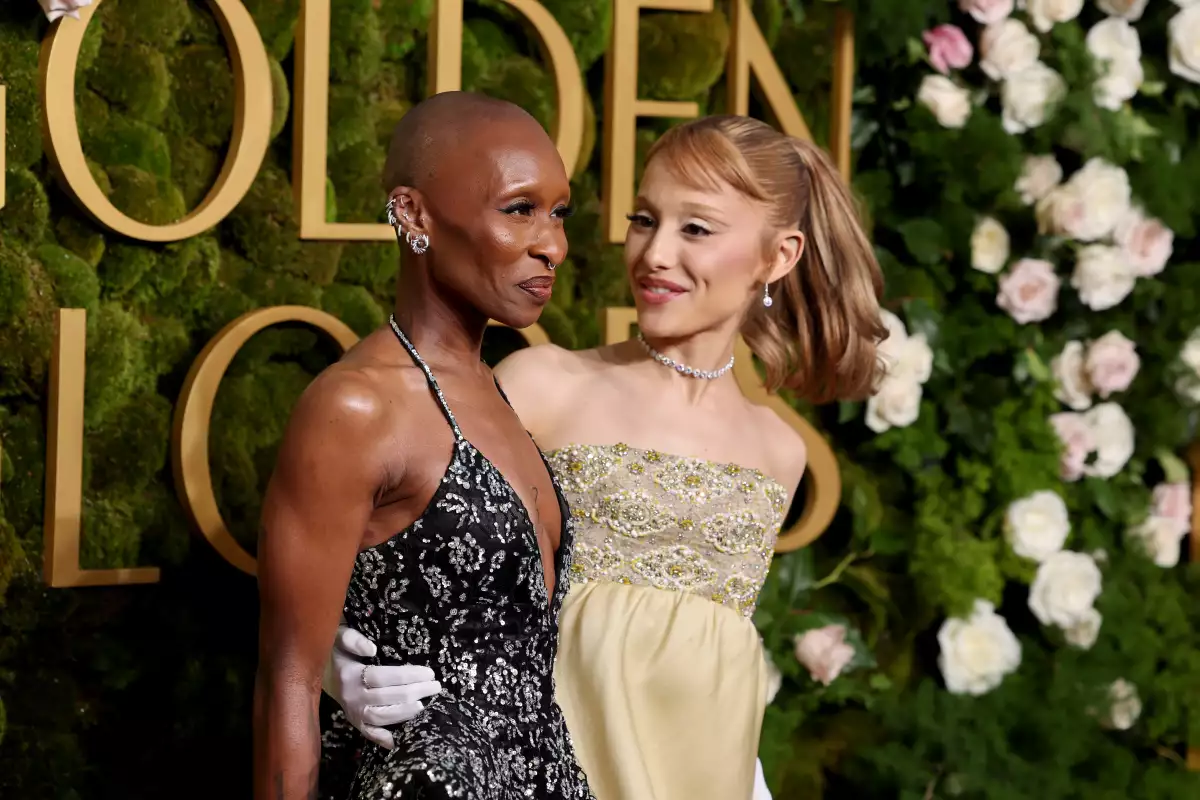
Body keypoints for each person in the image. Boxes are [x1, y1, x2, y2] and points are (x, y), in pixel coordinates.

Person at [322, 115, 888, 798]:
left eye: (696, 229)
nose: (653, 254)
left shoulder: (779, 454)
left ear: (779, 257)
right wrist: (335, 667)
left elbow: (710, 672)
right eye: (645, 220)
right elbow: (389, 555)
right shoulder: (545, 387)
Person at [253, 91, 593, 800]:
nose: (553, 244)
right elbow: (285, 682)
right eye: (519, 209)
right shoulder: (358, 406)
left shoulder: (499, 393)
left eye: (559, 213)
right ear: (412, 215)